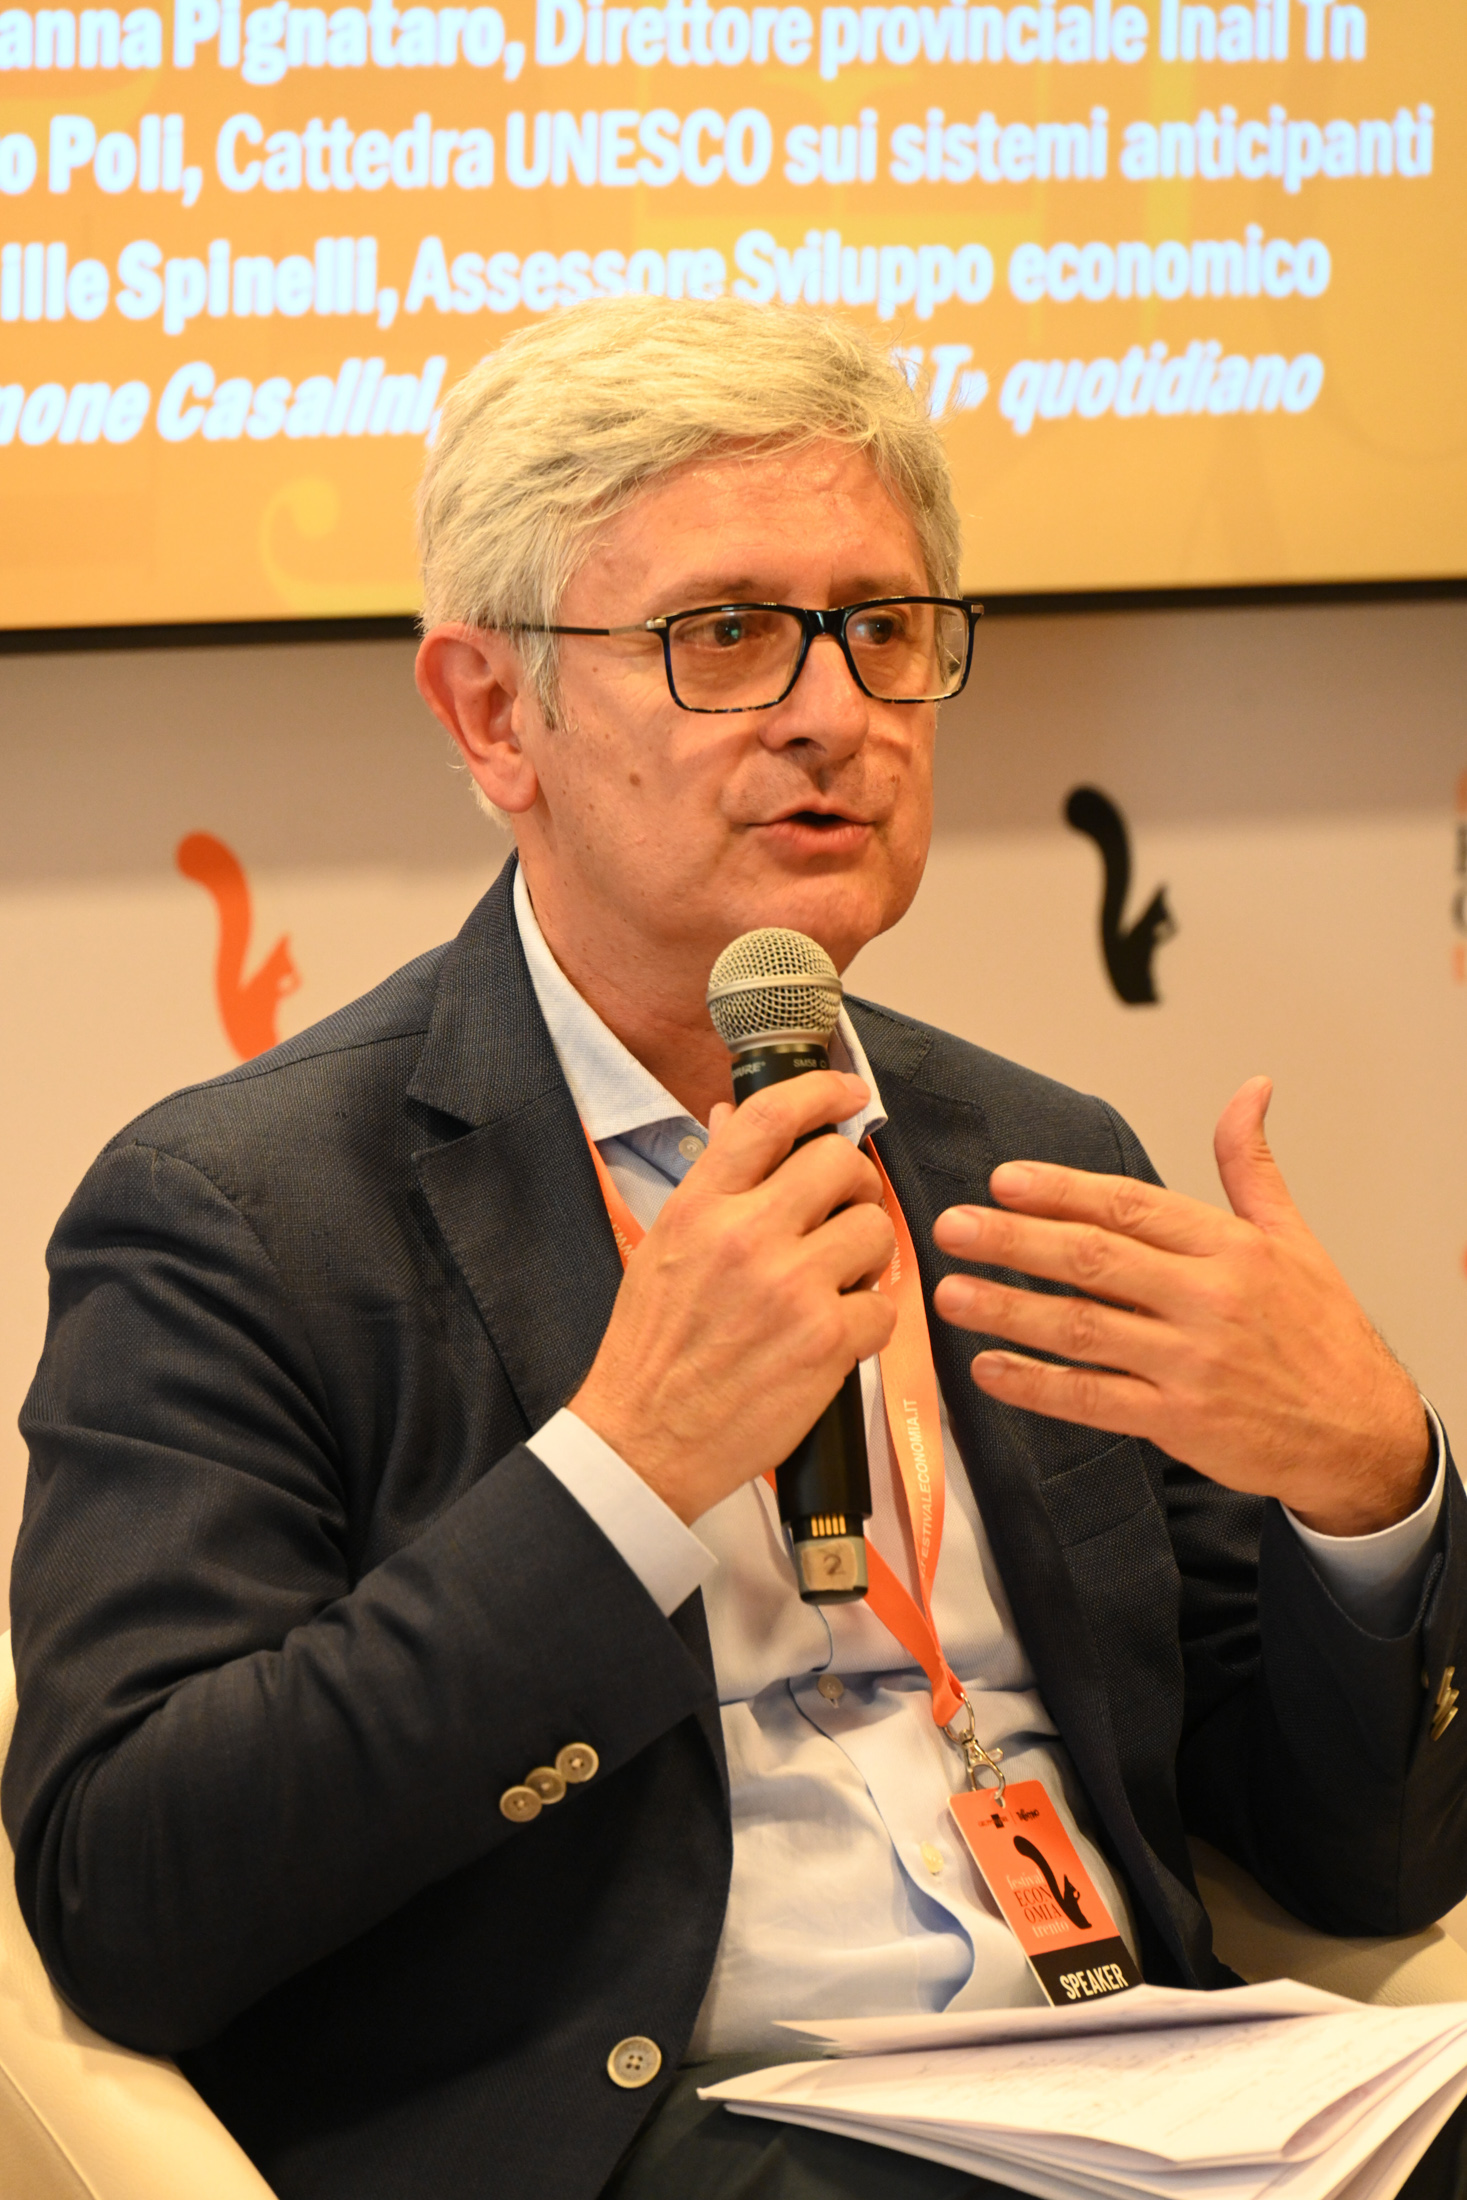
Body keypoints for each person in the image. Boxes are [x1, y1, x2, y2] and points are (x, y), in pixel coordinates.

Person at [5, 298, 1464, 2200]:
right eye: (726, 636)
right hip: (661, 2138)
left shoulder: (1031, 1160)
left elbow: (1360, 1866)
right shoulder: (245, 1211)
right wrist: (625, 1478)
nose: (835, 714)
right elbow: (130, 1895)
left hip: (1145, 2098)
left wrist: (1370, 1496)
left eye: (883, 628)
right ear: (493, 713)